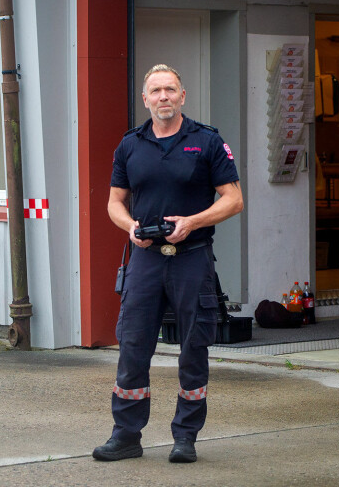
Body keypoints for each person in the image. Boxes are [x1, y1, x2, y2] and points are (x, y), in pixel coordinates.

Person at [92, 64, 243, 464]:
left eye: (170, 90)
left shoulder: (207, 141)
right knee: (133, 346)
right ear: (145, 99)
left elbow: (233, 199)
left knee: (194, 347)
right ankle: (125, 435)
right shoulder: (130, 145)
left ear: (182, 96)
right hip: (145, 259)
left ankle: (186, 437)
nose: (163, 97)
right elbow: (114, 202)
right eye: (156, 91)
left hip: (192, 259)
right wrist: (130, 227)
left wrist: (192, 222)